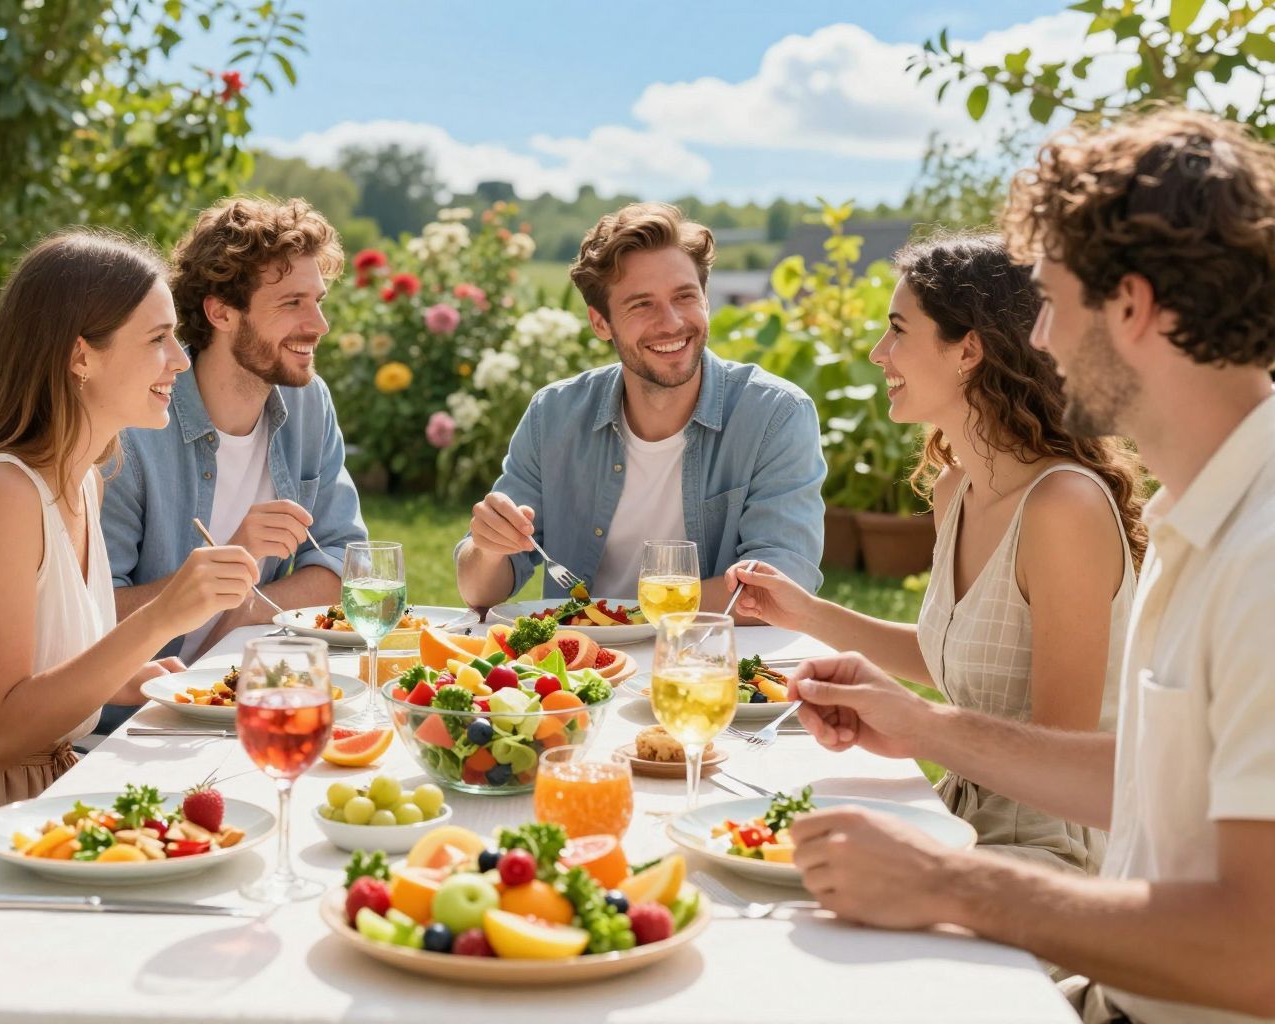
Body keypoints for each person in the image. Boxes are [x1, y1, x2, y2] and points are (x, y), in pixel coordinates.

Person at [780, 108, 1275, 1023]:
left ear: (1129, 305)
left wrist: (951, 885)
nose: (1037, 338)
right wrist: (923, 729)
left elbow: (1259, 952)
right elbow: (1140, 774)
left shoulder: (1263, 556)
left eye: (1050, 301)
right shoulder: (1200, 518)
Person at [726, 234, 1143, 872]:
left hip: (1051, 852)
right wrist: (805, 614)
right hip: (960, 819)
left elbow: (1067, 759)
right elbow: (950, 649)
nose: (878, 352)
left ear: (968, 350)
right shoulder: (959, 489)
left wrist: (919, 727)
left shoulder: (1064, 508)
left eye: (898, 330)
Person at [0, 229, 259, 838]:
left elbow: (41, 667)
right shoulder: (0, 494)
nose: (181, 361)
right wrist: (161, 616)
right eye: (158, 339)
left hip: (47, 786)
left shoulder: (84, 478)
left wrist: (129, 676)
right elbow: (3, 734)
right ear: (81, 355)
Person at [455, 202, 826, 611]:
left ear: (705, 298)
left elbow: (780, 588)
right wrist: (488, 548)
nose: (671, 322)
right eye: (642, 304)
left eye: (685, 296)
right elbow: (478, 592)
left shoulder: (775, 415)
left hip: (710, 662)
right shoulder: (553, 416)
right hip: (583, 668)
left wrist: (626, 616)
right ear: (601, 323)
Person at [103, 196, 367, 665]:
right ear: (221, 313)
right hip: (128, 715)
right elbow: (92, 614)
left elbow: (346, 563)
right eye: (292, 303)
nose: (320, 325)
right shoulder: (133, 425)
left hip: (245, 686)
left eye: (318, 302)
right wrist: (225, 568)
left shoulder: (308, 402)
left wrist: (246, 609)